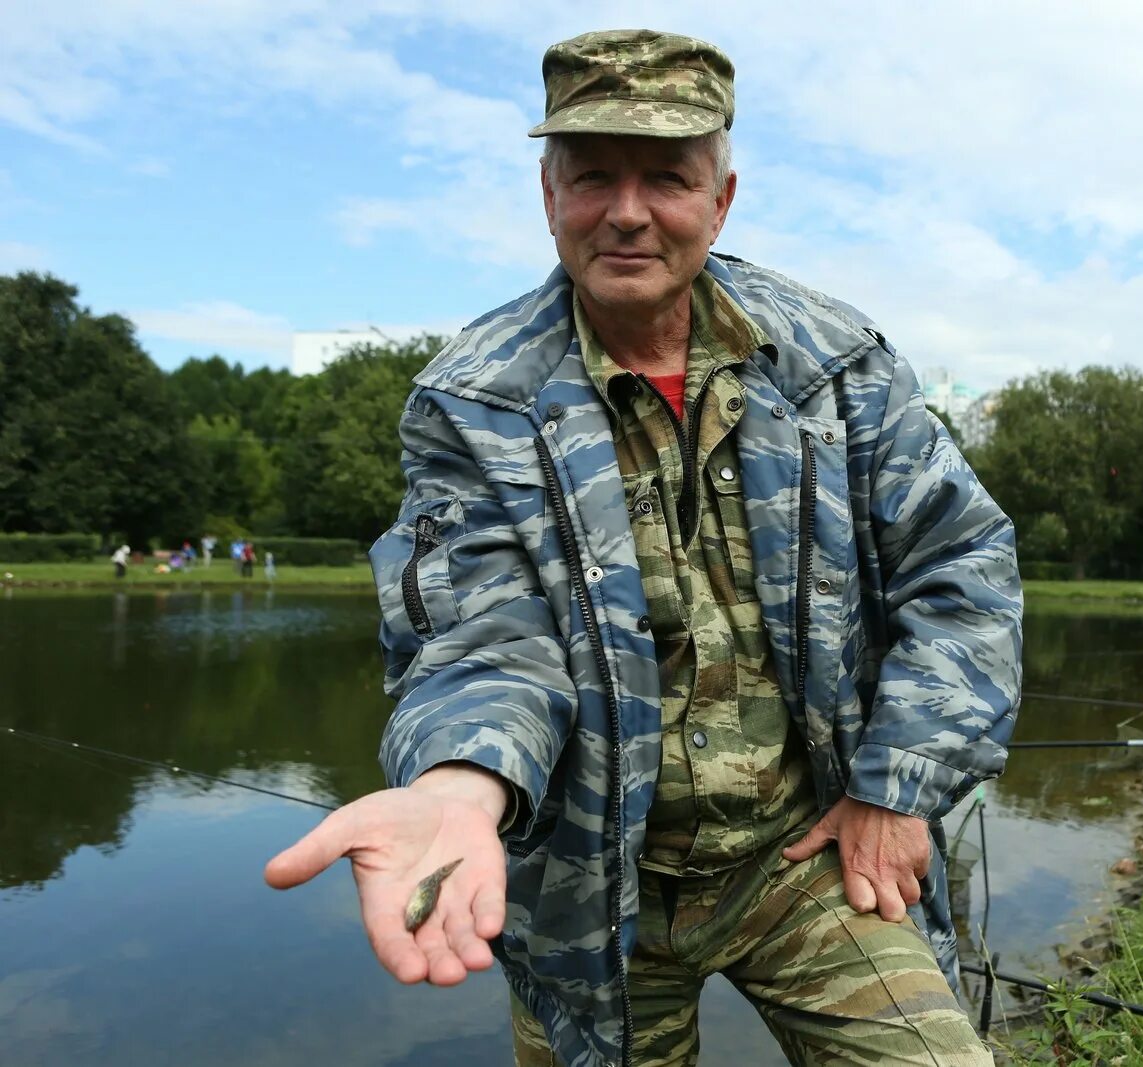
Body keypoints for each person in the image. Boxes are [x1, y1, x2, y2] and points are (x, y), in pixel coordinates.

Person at [264, 28, 1022, 1067]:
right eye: (592, 177)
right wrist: (458, 785)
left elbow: (964, 569)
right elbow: (485, 638)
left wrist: (899, 783)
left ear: (721, 197)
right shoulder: (474, 397)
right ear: (547, 193)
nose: (627, 211)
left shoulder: (836, 362)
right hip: (587, 884)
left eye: (666, 176)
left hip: (804, 850)